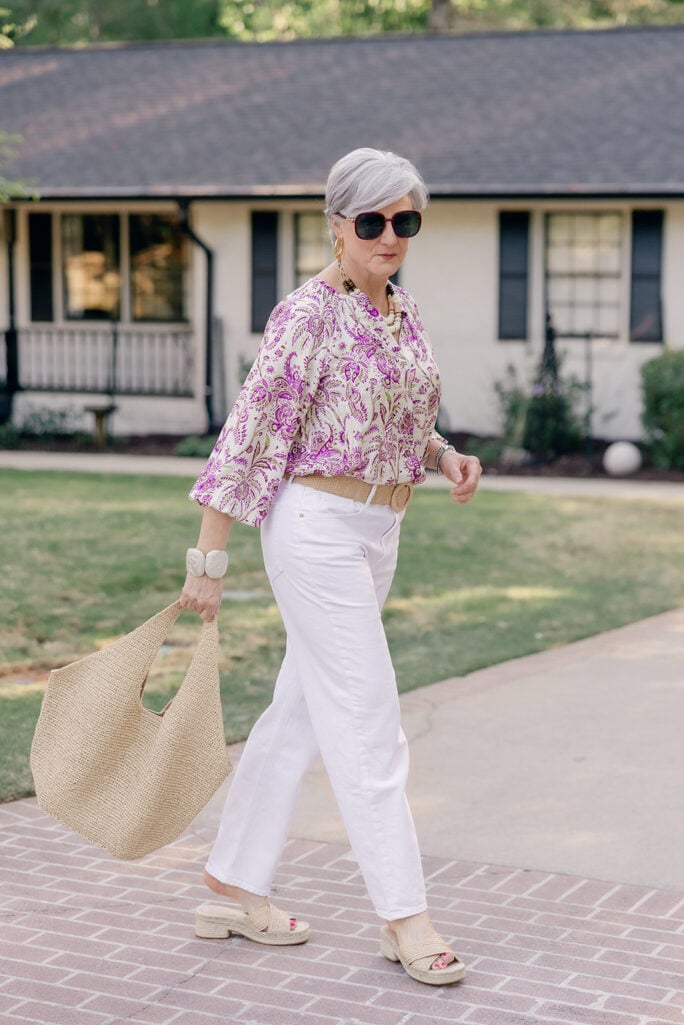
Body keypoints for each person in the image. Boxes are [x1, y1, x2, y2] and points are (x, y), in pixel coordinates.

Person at [180, 147, 482, 985]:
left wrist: (443, 452)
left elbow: (389, 409)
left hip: (380, 530)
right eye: (374, 221)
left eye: (406, 220)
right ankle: (405, 917)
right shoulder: (305, 314)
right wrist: (208, 557)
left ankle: (232, 885)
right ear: (338, 223)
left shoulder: (403, 311)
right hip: (313, 526)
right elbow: (250, 436)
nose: (391, 236)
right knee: (368, 717)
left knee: (300, 712)